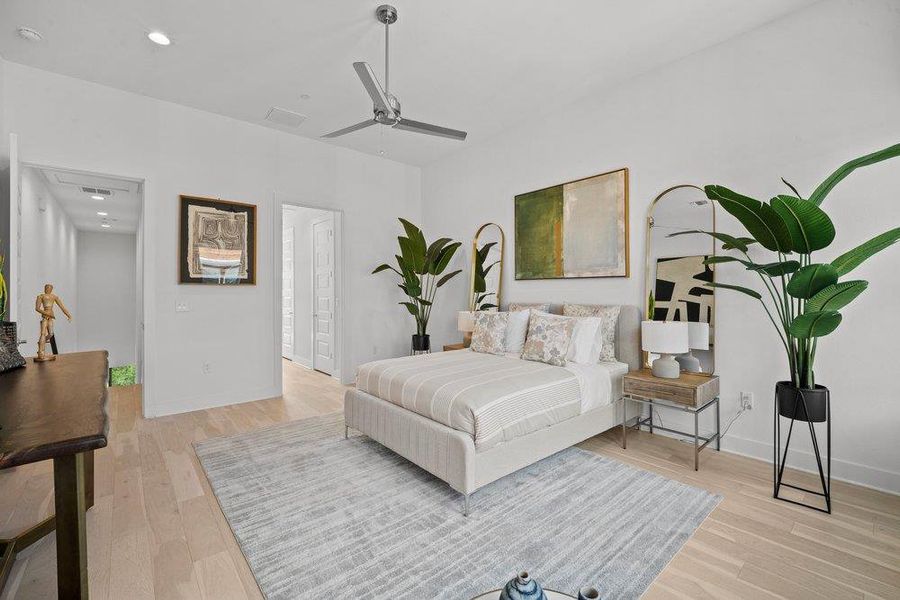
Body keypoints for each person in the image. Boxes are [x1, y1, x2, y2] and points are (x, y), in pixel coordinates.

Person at [35, 283, 72, 361]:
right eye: (46, 288)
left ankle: (41, 343)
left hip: (51, 317)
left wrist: (68, 315)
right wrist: (46, 313)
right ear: (44, 289)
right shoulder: (41, 296)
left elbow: (62, 307)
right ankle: (41, 352)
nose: (48, 289)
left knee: (51, 334)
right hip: (45, 316)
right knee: (43, 333)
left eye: (49, 288)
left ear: (51, 289)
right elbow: (37, 308)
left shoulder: (54, 297)